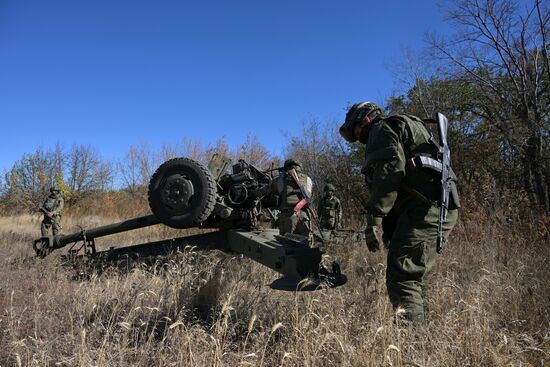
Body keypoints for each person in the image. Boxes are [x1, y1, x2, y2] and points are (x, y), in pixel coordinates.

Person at [339, 101, 460, 324]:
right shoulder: (404, 125)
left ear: (364, 119)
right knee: (414, 278)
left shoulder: (381, 128)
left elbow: (389, 173)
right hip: (434, 206)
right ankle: (423, 335)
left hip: (426, 208)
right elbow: (404, 179)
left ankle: (412, 346)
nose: (358, 137)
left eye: (355, 131)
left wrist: (374, 219)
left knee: (403, 278)